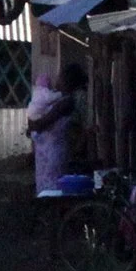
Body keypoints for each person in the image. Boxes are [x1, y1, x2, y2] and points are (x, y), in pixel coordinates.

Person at [28, 61, 89, 197]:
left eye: (60, 77)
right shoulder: (59, 99)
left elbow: (40, 125)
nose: (56, 80)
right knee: (48, 189)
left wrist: (31, 122)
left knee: (52, 191)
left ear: (67, 81)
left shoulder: (66, 102)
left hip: (54, 153)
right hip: (48, 152)